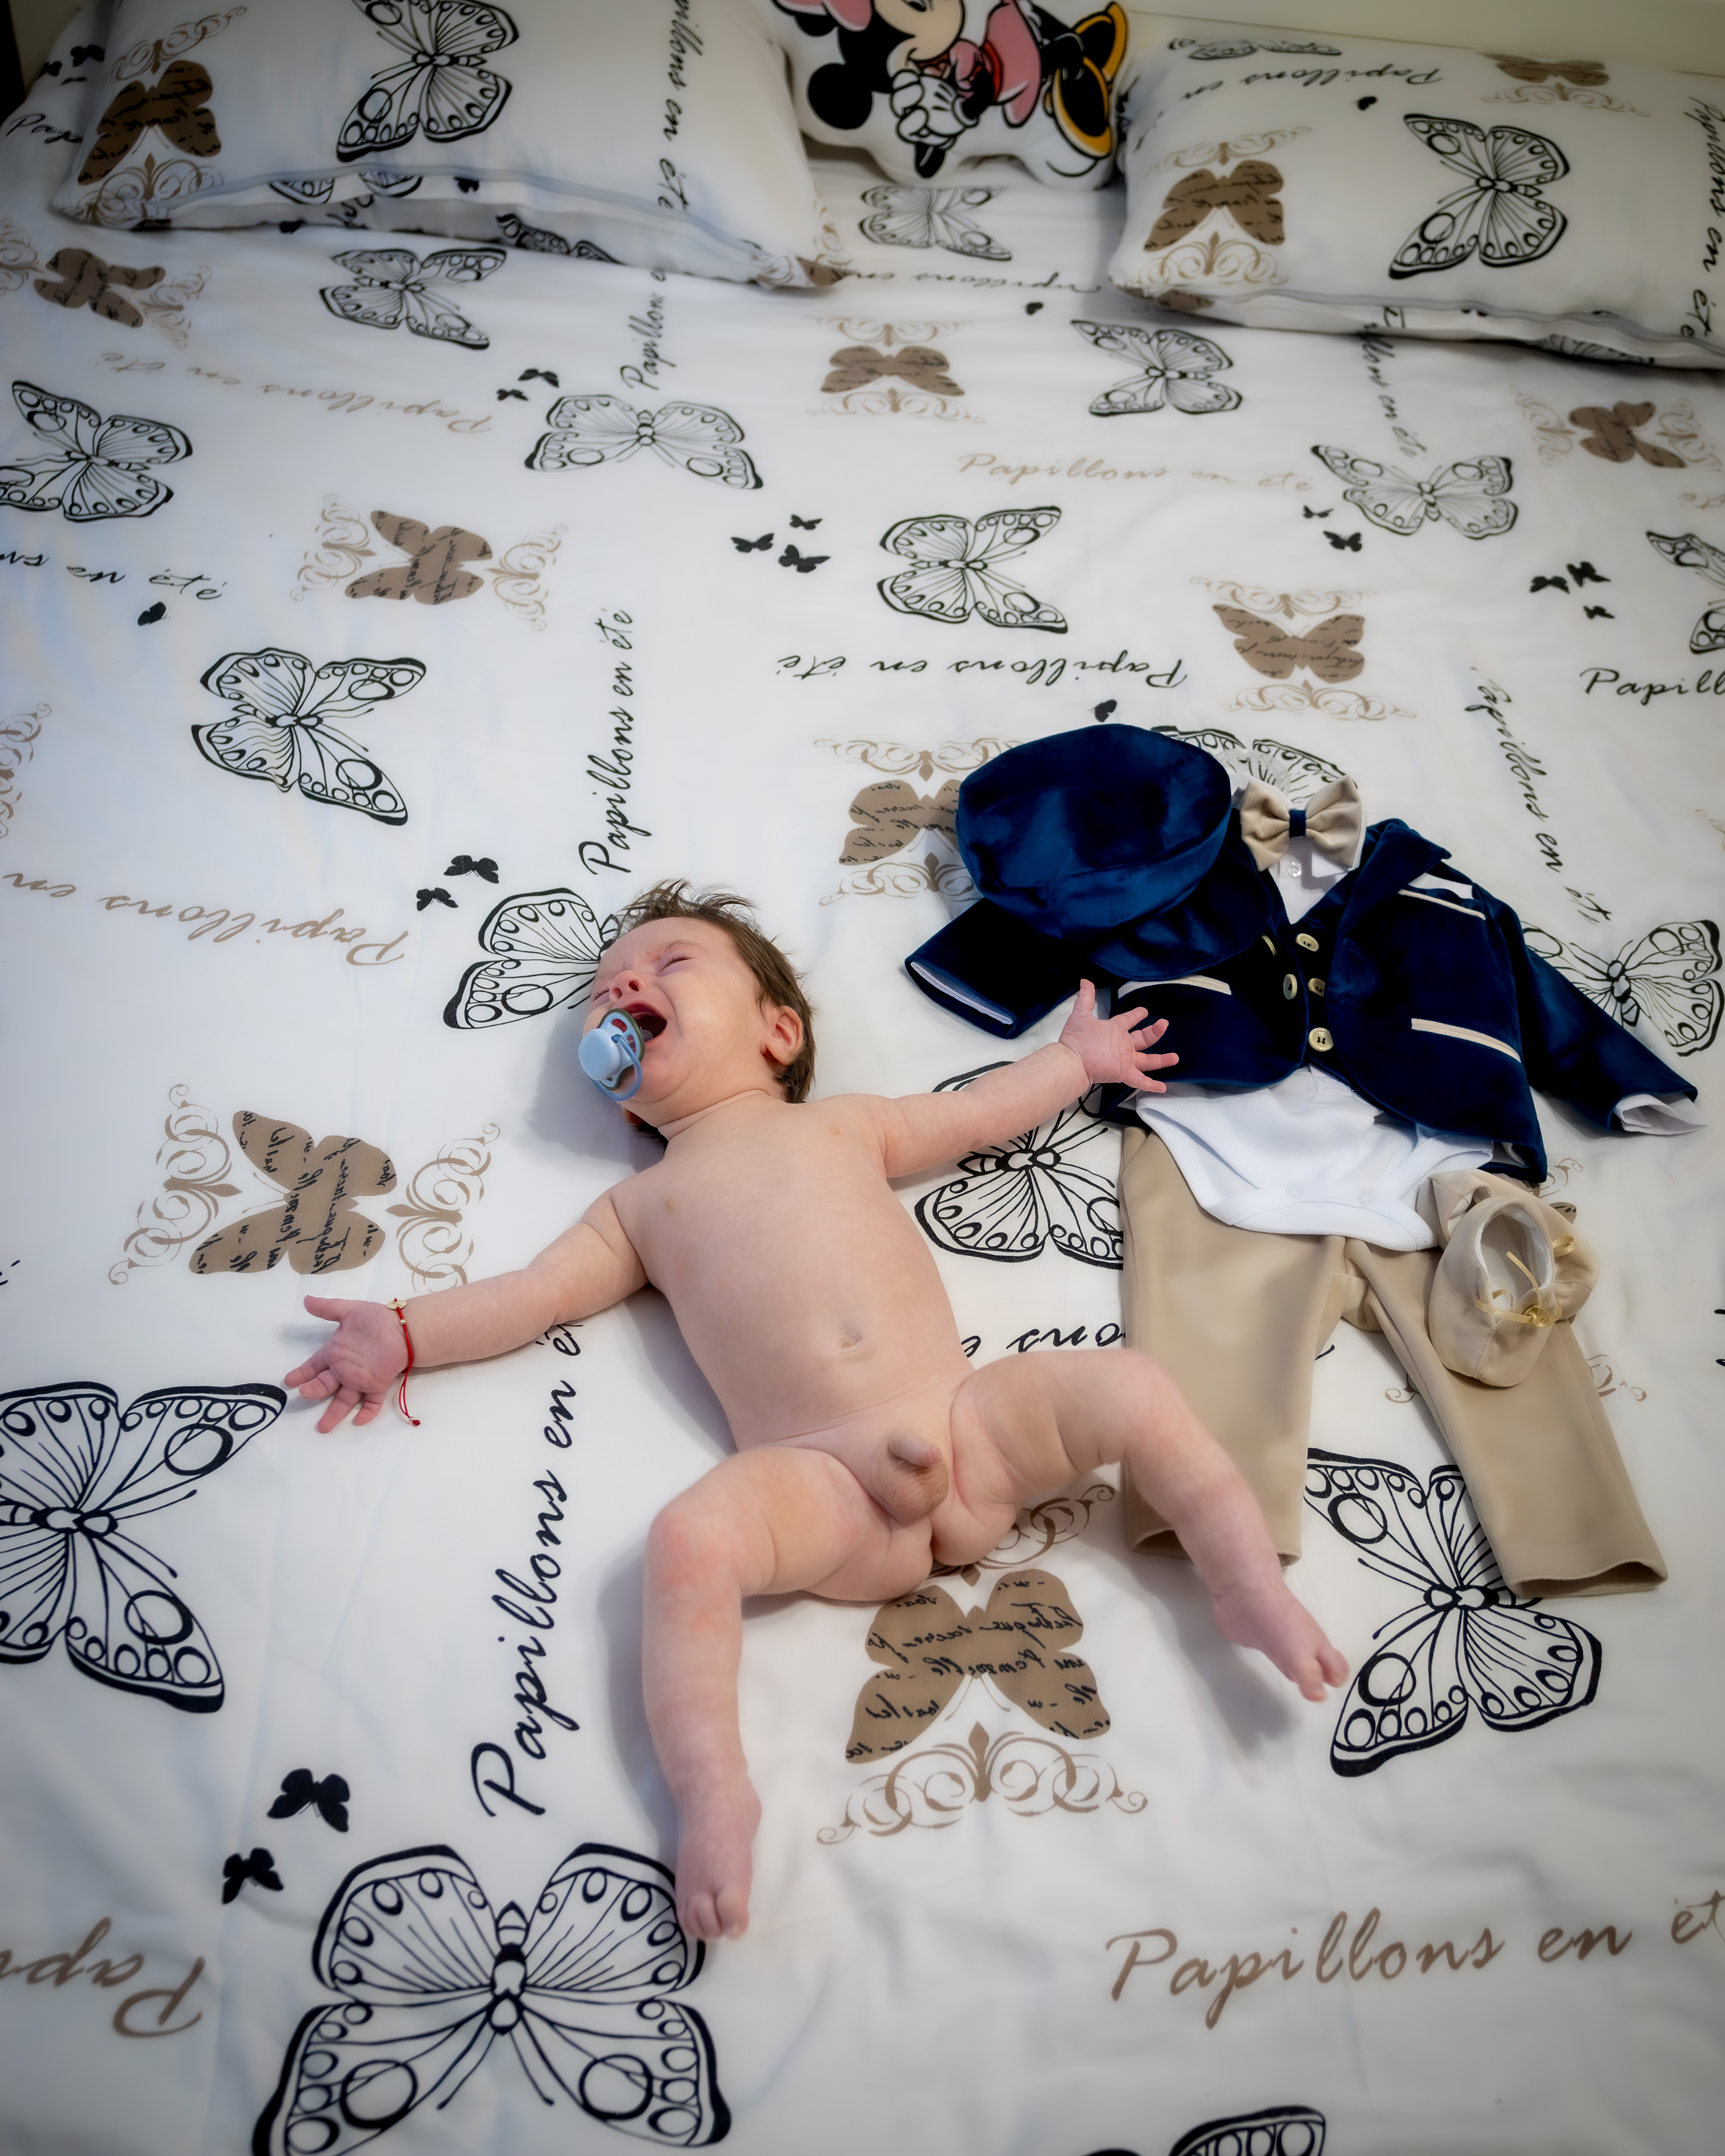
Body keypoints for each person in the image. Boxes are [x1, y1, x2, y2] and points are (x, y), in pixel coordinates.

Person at [285, 882, 1346, 1943]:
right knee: (689, 1540)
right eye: (607, 987)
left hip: (968, 1428)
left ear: (778, 1033)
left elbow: (971, 1114)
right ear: (619, 1093)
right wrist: (405, 1333)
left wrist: (1074, 1062)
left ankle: (1245, 1583)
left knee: (1131, 1384)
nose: (623, 981)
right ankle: (713, 1791)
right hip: (826, 1491)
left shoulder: (846, 1124)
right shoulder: (635, 1209)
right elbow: (532, 1296)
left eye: (669, 961)